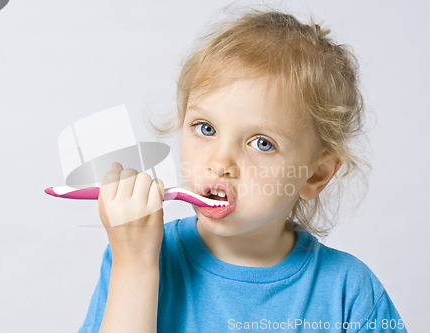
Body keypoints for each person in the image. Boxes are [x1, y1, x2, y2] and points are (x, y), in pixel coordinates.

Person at [78, 8, 407, 333]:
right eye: (206, 129)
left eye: (262, 143)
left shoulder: (349, 294)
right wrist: (135, 266)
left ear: (315, 174)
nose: (220, 163)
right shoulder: (138, 253)